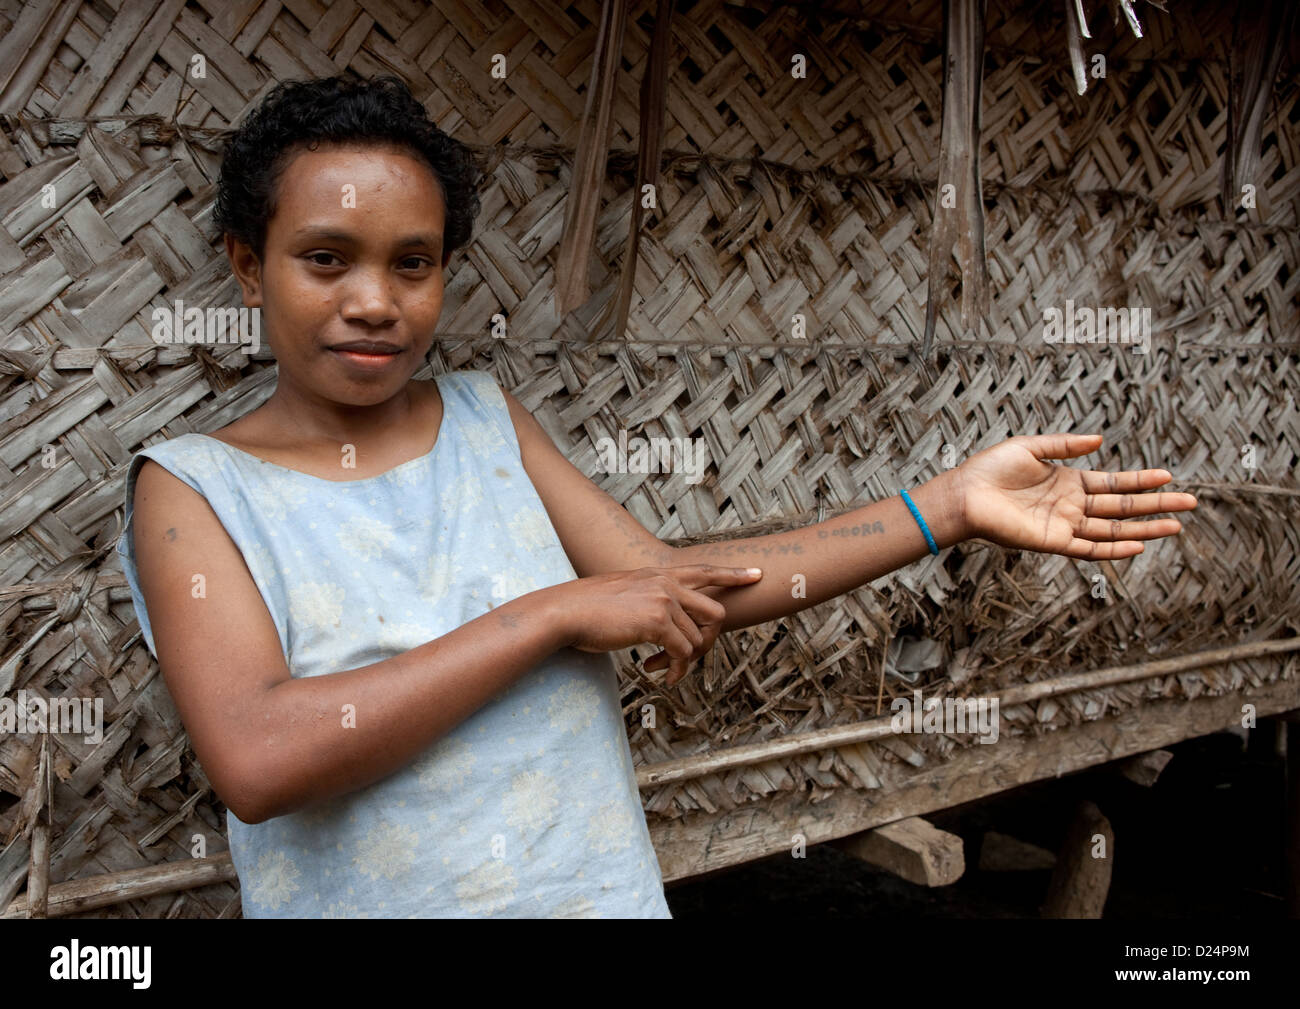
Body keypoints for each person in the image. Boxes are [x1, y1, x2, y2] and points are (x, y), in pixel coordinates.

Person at [115, 74, 1197, 918]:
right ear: (247, 267)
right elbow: (257, 756)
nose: (374, 301)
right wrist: (551, 612)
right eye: (324, 259)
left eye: (414, 262)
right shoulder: (195, 488)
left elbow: (679, 589)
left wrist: (942, 507)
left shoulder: (486, 422)